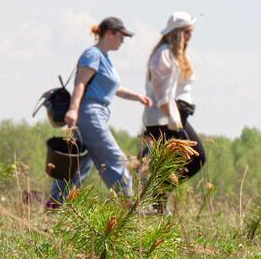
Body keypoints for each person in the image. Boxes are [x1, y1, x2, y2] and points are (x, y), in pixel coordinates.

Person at [47, 17, 151, 209]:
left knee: (78, 165)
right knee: (115, 159)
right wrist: (73, 109)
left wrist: (138, 97)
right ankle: (130, 207)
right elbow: (80, 83)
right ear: (110, 33)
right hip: (89, 114)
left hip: (96, 114)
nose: (123, 40)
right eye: (121, 36)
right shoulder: (93, 54)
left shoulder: (105, 58)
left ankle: (55, 206)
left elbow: (115, 88)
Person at [142, 12, 206, 184]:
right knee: (195, 158)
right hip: (165, 118)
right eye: (187, 32)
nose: (190, 36)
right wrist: (172, 118)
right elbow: (163, 93)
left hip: (173, 115)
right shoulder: (164, 54)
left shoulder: (174, 54)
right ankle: (156, 196)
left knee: (177, 161)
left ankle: (157, 199)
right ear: (177, 33)